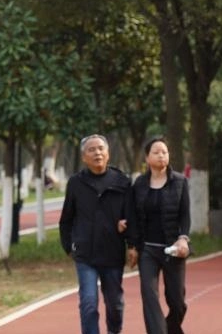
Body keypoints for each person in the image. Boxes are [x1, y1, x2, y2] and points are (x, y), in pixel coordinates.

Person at [59, 134, 136, 334]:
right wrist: (69, 246)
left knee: (115, 304)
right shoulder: (76, 183)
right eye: (91, 150)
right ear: (84, 157)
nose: (97, 153)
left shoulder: (122, 181)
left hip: (113, 252)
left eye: (101, 148)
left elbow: (131, 217)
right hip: (86, 254)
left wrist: (132, 245)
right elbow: (66, 218)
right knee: (89, 303)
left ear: (108, 154)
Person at [131, 136, 191, 334]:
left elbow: (185, 216)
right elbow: (132, 215)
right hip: (147, 249)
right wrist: (132, 244)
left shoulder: (180, 182)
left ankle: (171, 329)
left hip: (173, 249)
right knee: (149, 295)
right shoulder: (139, 184)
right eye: (156, 152)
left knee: (177, 302)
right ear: (147, 158)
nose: (161, 156)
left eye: (164, 152)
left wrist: (183, 238)